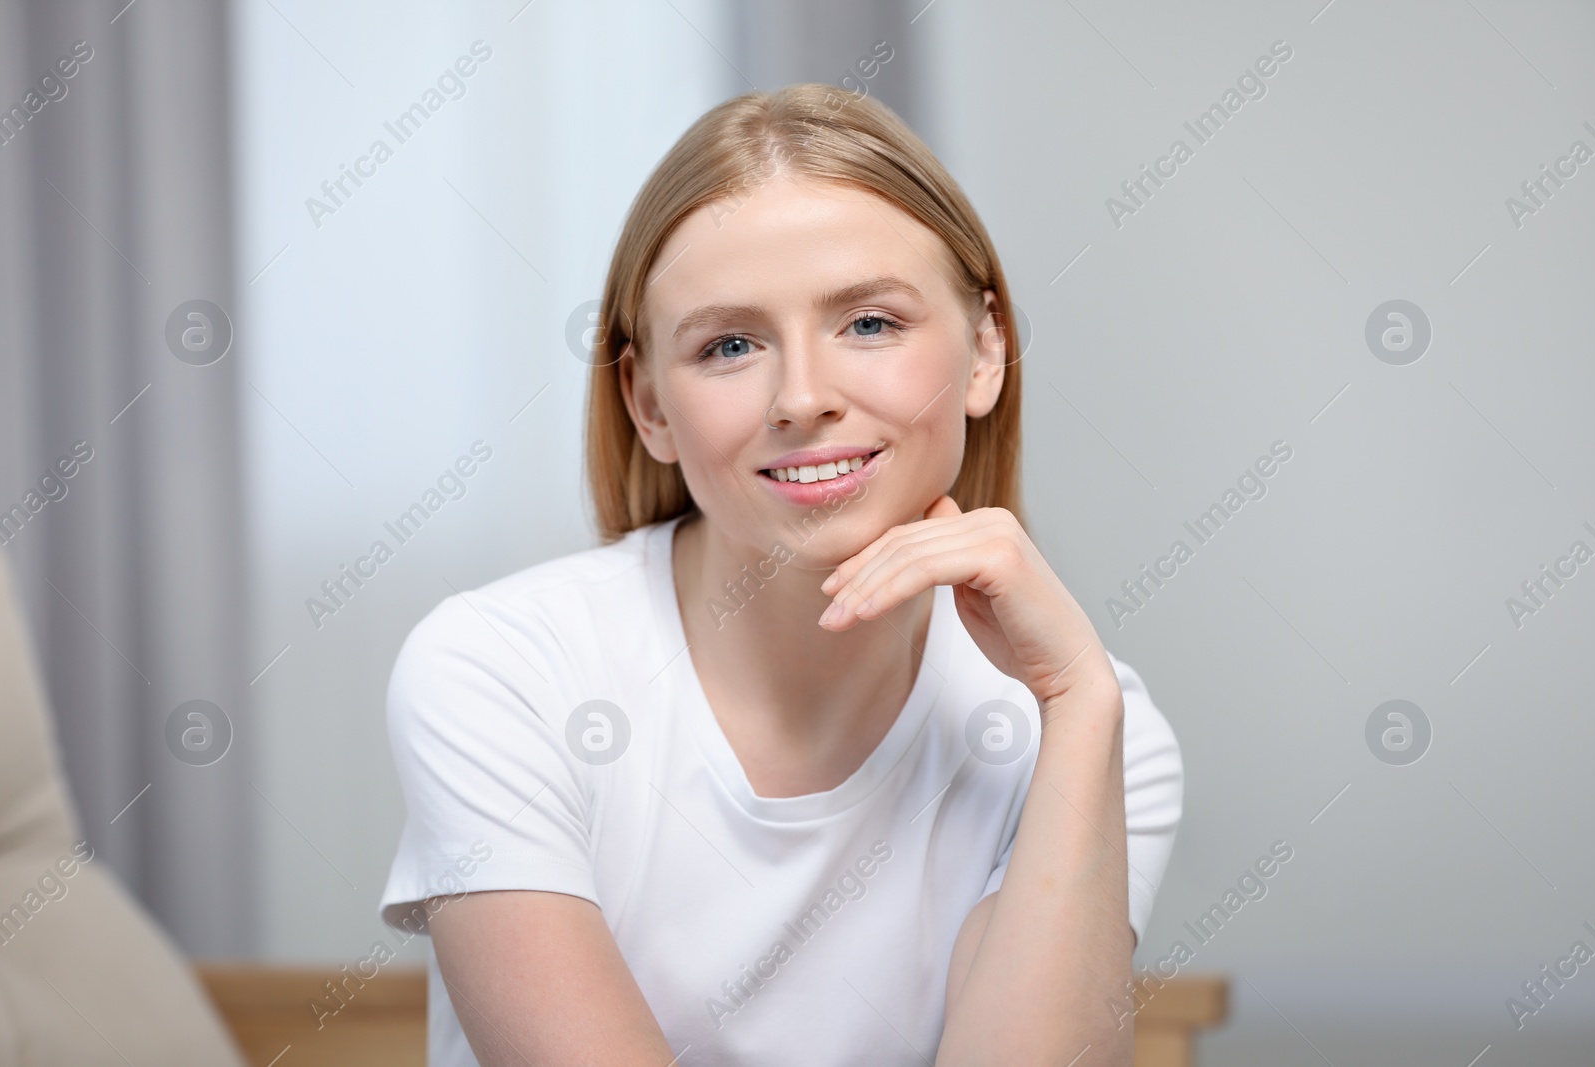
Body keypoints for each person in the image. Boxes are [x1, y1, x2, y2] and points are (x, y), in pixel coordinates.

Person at [377, 82, 1183, 1067]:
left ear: (985, 348)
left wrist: (1076, 697)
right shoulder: (500, 671)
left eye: (872, 324)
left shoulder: (1097, 731)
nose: (802, 397)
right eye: (729, 345)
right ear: (648, 405)